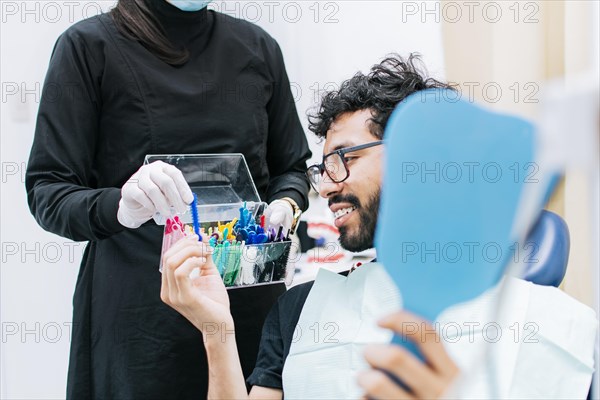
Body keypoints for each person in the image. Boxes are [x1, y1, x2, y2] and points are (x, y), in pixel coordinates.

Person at [25, 0, 311, 398]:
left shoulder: (257, 47)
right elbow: (48, 191)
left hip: (247, 302)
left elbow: (292, 167)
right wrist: (120, 207)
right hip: (143, 319)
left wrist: (286, 203)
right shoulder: (89, 47)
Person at [161, 54, 460, 399]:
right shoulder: (297, 310)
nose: (327, 187)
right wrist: (216, 329)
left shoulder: (513, 308)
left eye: (345, 159)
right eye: (323, 168)